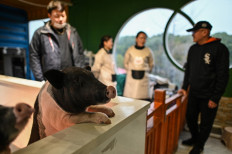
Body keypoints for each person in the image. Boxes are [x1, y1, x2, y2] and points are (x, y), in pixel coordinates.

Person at [178, 21, 229, 154]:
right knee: (190, 118)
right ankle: (195, 138)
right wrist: (184, 87)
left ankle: (199, 146)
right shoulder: (193, 49)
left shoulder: (220, 49)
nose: (193, 35)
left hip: (209, 95)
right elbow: (188, 70)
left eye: (195, 32)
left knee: (206, 123)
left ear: (204, 32)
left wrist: (216, 97)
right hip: (194, 93)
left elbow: (223, 75)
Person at [30, 0, 84, 81]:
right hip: (51, 80)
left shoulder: (73, 32)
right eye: (57, 16)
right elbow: (34, 56)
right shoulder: (40, 33)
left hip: (72, 79)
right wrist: (40, 79)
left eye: (63, 15)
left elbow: (80, 53)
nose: (61, 19)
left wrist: (80, 75)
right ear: (49, 15)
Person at [123, 31, 154, 101]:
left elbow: (151, 64)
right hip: (131, 81)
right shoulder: (130, 50)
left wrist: (147, 71)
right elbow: (125, 63)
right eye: (141, 38)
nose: (143, 40)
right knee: (129, 102)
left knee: (143, 102)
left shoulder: (148, 51)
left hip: (144, 81)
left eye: (145, 38)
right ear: (136, 39)